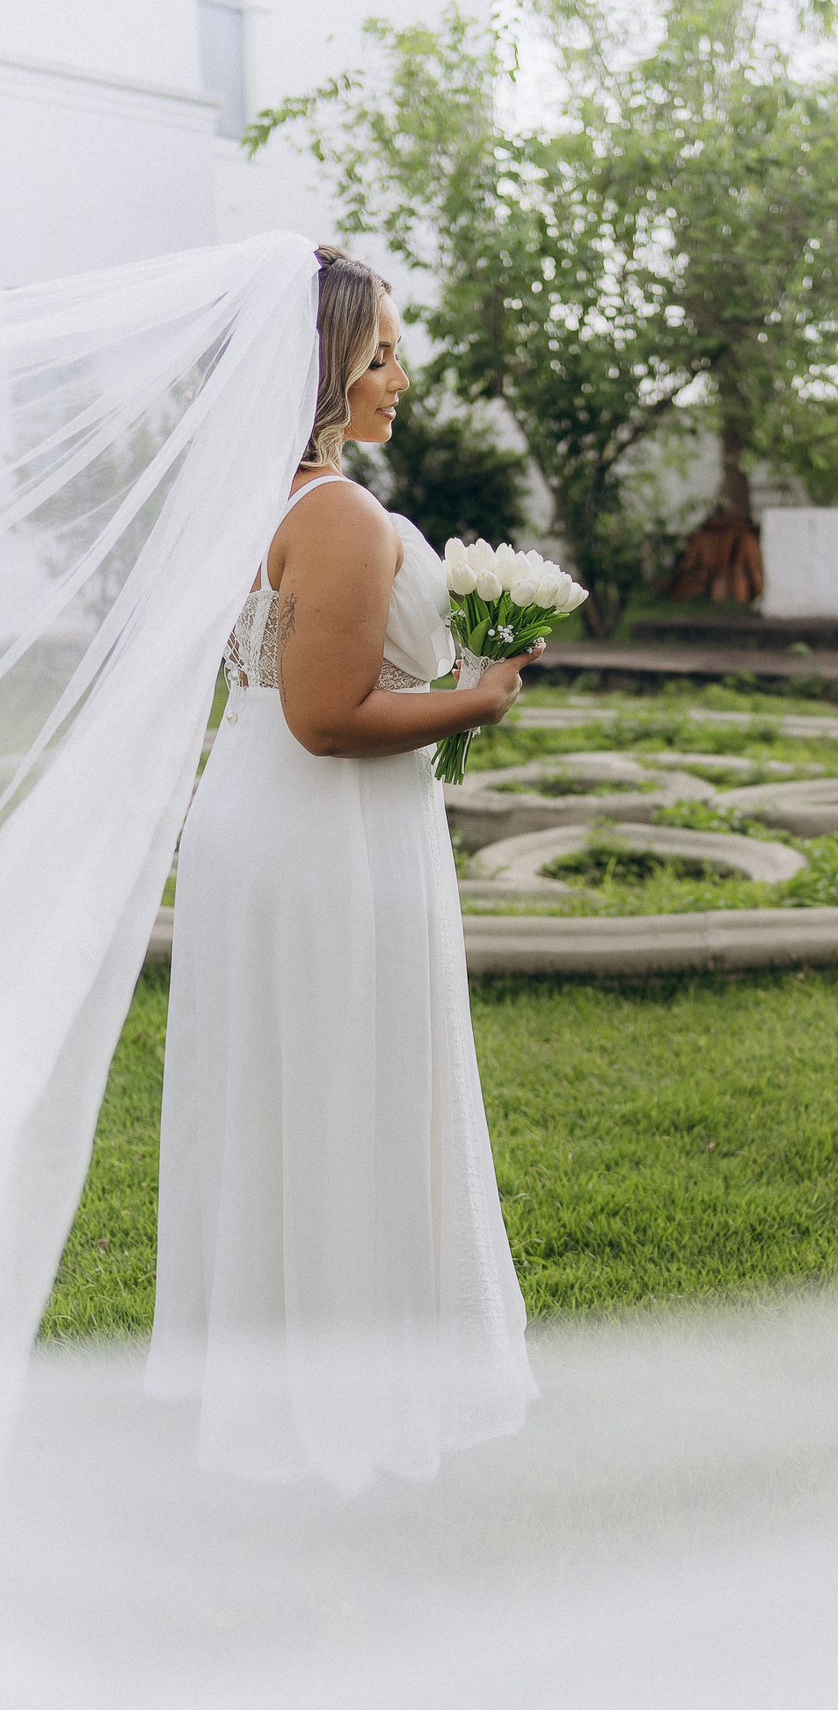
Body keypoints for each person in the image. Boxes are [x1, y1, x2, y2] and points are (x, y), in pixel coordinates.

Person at [143, 247, 539, 1489]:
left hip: (263, 828)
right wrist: (478, 703)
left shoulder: (258, 499)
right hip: (322, 841)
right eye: (380, 355)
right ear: (322, 370)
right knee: (335, 1097)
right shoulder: (342, 516)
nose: (400, 376)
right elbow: (327, 719)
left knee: (292, 1101)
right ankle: (333, 1416)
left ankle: (287, 1395)